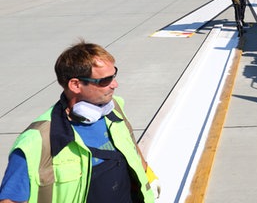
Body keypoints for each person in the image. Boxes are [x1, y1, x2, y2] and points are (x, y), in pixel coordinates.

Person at [0, 41, 159, 203]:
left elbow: (131, 147)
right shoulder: (38, 141)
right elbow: (10, 199)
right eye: (105, 80)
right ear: (76, 85)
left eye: (114, 75)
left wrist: (147, 174)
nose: (115, 84)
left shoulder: (114, 109)